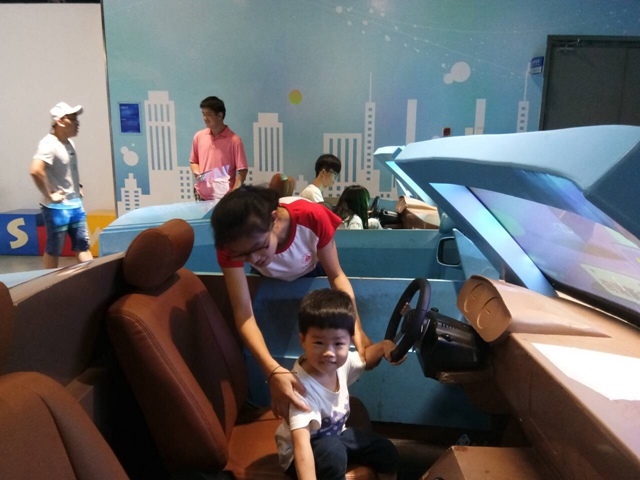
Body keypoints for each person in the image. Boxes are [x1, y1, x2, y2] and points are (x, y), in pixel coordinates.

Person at [210, 186, 372, 418]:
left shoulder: (311, 217)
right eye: (243, 256)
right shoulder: (231, 244)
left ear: (274, 219)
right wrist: (272, 371)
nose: (254, 258)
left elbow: (336, 276)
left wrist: (357, 328)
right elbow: (243, 313)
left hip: (311, 270)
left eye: (259, 247)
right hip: (268, 280)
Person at [275, 289, 399, 480]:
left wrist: (383, 346)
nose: (329, 353)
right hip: (300, 455)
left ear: (349, 341)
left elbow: (365, 358)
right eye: (319, 342)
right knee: (332, 451)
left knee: (385, 449)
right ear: (303, 341)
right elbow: (301, 447)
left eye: (338, 344)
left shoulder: (340, 363)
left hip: (336, 437)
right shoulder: (301, 388)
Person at [29, 102, 93, 269]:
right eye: (73, 119)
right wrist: (50, 194)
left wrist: (77, 186)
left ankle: (93, 277)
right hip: (57, 209)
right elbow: (35, 170)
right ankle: (48, 282)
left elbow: (67, 171)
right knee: (54, 249)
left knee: (82, 245)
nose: (77, 123)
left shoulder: (69, 143)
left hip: (75, 205)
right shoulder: (49, 144)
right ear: (60, 121)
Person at [189, 96, 248, 201]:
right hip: (200, 195)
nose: (205, 118)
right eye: (203, 114)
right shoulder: (199, 136)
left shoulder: (235, 141)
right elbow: (194, 161)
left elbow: (242, 171)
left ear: (220, 115)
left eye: (209, 114)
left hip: (224, 198)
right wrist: (197, 173)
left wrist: (233, 195)